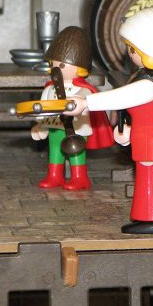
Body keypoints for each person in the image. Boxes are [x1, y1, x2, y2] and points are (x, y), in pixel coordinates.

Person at [68, 9, 153, 234]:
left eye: (132, 49)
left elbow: (121, 97)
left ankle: (152, 219)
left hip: (151, 141)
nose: (129, 54)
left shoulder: (148, 83)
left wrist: (86, 102)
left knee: (150, 181)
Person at [32, 26, 113, 190]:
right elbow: (43, 108)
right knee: (55, 151)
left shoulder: (83, 90)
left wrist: (81, 104)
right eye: (53, 64)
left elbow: (87, 105)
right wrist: (40, 126)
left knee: (76, 152)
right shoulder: (49, 88)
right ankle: (54, 176)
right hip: (54, 126)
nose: (55, 68)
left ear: (80, 68)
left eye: (61, 65)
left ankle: (80, 178)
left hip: (77, 127)